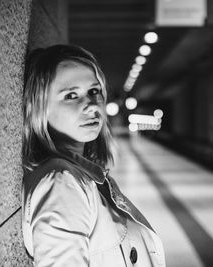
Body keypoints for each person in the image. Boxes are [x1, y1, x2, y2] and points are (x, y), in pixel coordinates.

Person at [21, 44, 165, 267]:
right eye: (71, 95)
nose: (91, 106)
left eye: (94, 91)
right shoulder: (61, 184)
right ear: (39, 107)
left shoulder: (79, 176)